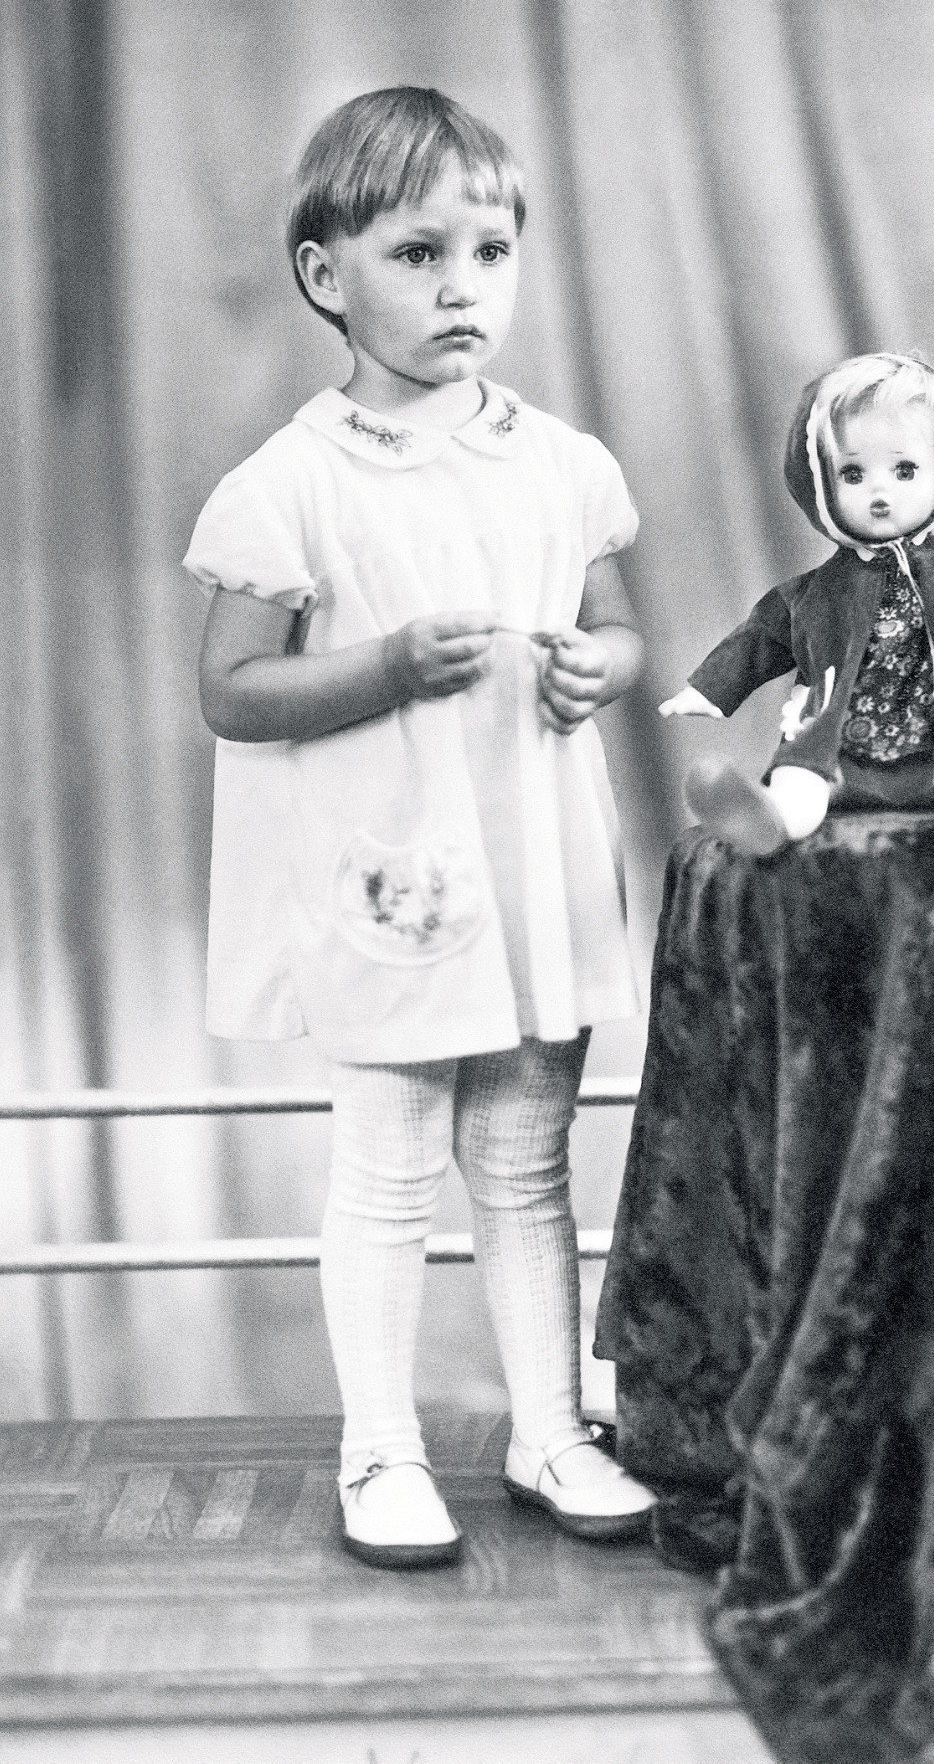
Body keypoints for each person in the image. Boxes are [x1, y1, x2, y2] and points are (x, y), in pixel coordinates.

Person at [184, 86, 655, 1569]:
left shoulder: (561, 462)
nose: (463, 288)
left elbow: (618, 628)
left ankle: (549, 1429)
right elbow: (232, 690)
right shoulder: (293, 481)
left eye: (489, 253)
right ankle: (379, 1448)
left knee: (526, 1158)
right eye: (418, 253)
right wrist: (383, 667)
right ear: (325, 274)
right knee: (388, 1165)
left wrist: (601, 668)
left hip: (530, 862)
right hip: (396, 878)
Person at [660, 352, 934, 852]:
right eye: (853, 474)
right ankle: (769, 819)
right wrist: (708, 688)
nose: (879, 490)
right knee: (800, 778)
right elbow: (757, 640)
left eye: (905, 469)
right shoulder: (811, 595)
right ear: (818, 483)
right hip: (837, 744)